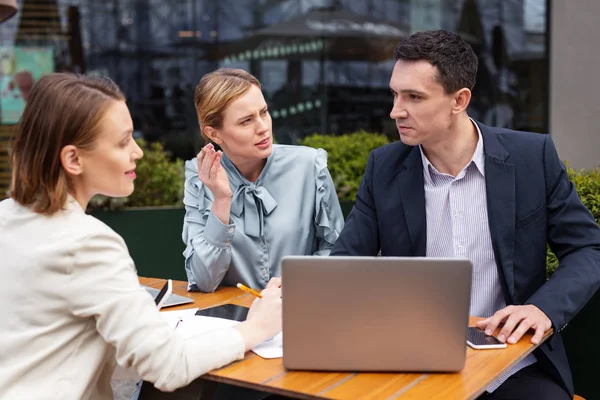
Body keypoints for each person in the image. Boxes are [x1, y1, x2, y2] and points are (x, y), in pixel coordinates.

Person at [331, 30, 600, 399]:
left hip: (513, 362)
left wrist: (543, 309)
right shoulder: (384, 167)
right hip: (413, 359)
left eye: (414, 97)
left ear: (459, 100)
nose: (396, 110)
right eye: (395, 94)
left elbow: (588, 249)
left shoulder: (531, 157)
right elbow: (346, 264)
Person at [0, 73, 282, 399]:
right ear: (73, 159)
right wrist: (256, 329)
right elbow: (168, 365)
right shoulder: (88, 244)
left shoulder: (8, 218)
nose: (138, 152)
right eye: (123, 142)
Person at [183, 68, 344, 293]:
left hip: (299, 311)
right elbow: (203, 281)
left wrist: (299, 279)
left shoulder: (309, 165)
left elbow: (337, 251)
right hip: (236, 322)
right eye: (246, 121)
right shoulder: (200, 179)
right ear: (214, 134)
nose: (263, 127)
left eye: (264, 112)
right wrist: (221, 200)